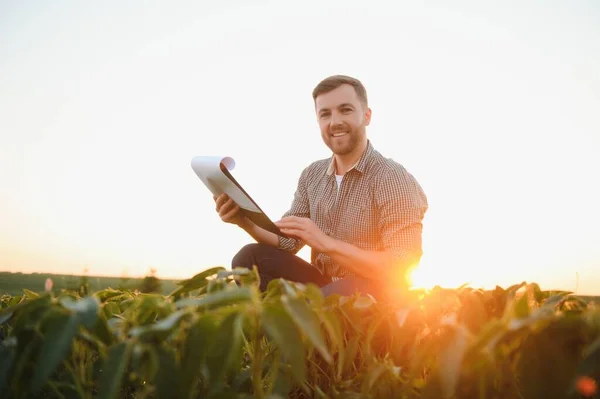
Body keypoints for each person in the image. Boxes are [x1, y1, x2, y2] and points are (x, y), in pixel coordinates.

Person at [214, 75, 428, 299]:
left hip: (376, 292)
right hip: (325, 285)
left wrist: (327, 244)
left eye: (345, 110)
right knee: (249, 258)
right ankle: (275, 329)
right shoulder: (312, 175)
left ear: (367, 116)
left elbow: (401, 265)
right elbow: (288, 241)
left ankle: (307, 325)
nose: (335, 121)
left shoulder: (392, 178)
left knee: (337, 292)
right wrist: (243, 221)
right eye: (325, 114)